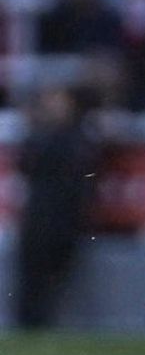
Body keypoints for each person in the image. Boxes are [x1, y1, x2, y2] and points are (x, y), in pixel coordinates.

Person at [14, 87, 97, 329]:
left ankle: (43, 321)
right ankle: (29, 322)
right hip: (40, 214)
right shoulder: (41, 135)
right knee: (33, 275)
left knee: (56, 273)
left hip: (65, 215)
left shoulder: (77, 136)